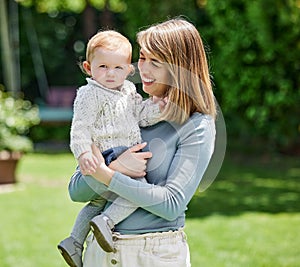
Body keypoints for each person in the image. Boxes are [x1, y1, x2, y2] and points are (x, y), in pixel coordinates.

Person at [68, 17, 217, 267]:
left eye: (155, 62)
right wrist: (115, 167)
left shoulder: (196, 125)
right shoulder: (124, 109)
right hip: (100, 254)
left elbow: (171, 204)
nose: (143, 69)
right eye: (142, 58)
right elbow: (76, 190)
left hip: (152, 256)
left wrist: (107, 175)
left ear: (180, 68)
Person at [58, 30, 161, 267]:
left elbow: (141, 116)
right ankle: (106, 221)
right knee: (140, 191)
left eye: (117, 68)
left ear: (128, 70)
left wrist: (161, 109)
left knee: (96, 201)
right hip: (106, 155)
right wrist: (83, 153)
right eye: (103, 66)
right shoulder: (89, 94)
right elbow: (80, 128)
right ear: (88, 66)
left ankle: (74, 241)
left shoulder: (128, 92)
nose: (110, 74)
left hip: (120, 155)